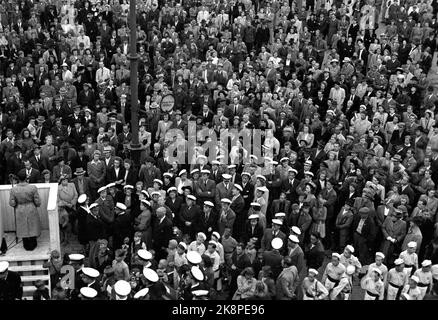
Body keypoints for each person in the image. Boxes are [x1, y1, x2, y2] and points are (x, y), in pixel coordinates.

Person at [9, 170, 41, 250]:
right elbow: (37, 200)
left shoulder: (14, 189)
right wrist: (37, 204)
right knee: (32, 225)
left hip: (20, 208)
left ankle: (26, 244)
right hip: (31, 207)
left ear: (18, 179)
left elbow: (11, 202)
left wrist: (15, 204)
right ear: (26, 177)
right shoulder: (32, 187)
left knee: (22, 226)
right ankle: (33, 243)